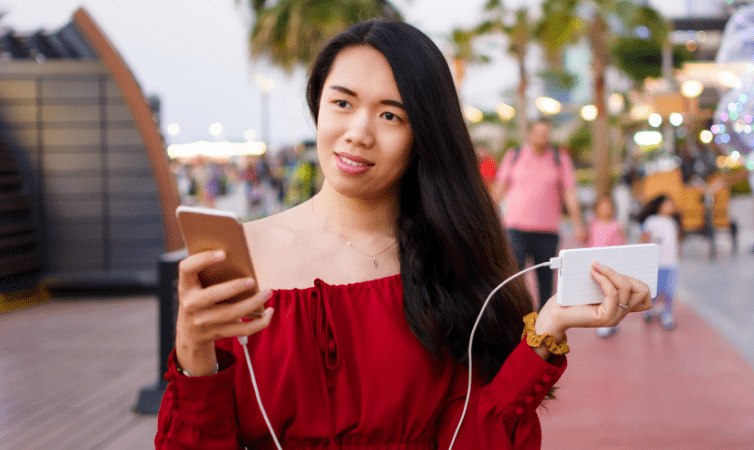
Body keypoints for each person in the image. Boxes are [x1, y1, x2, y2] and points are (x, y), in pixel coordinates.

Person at [155, 19, 651, 450]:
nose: (359, 132)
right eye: (343, 103)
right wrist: (192, 349)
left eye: (391, 115)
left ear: (423, 135)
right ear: (318, 106)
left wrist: (550, 327)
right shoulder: (241, 256)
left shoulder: (453, 261)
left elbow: (476, 436)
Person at [494, 119, 587, 310]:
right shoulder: (515, 156)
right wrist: (487, 220)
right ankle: (514, 316)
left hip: (547, 232)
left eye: (546, 133)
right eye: (537, 132)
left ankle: (543, 323)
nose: (542, 137)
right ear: (529, 134)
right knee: (513, 278)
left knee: (546, 281)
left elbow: (570, 193)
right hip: (515, 229)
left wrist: (578, 224)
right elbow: (499, 190)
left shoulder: (559, 159)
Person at [587, 195, 627, 338]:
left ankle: (612, 321)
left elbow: (623, 243)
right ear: (596, 208)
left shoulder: (617, 225)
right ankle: (605, 321)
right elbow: (588, 241)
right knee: (600, 295)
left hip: (613, 265)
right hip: (597, 266)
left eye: (608, 206)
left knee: (612, 294)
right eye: (602, 206)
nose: (605, 209)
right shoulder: (593, 224)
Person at [638, 195, 680, 330]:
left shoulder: (673, 222)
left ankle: (667, 314)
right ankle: (648, 310)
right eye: (667, 204)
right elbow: (644, 238)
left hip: (670, 263)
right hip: (655, 264)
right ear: (660, 206)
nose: (670, 207)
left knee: (669, 291)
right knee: (653, 291)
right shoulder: (651, 221)